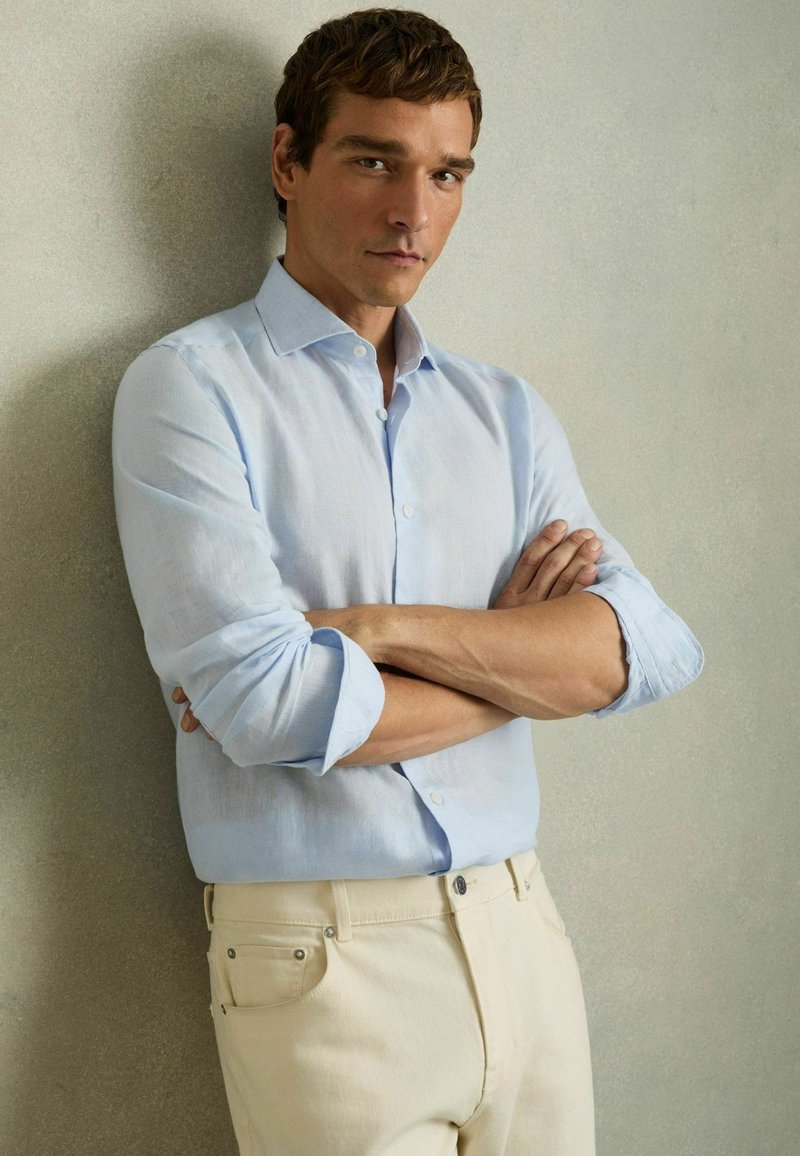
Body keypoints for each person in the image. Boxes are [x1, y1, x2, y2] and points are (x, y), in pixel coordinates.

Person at [112, 8, 703, 1155]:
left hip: (524, 932)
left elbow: (647, 647)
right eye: (374, 161)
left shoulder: (503, 412)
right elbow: (266, 707)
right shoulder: (188, 390)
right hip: (322, 960)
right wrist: (519, 666)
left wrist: (377, 631)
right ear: (288, 161)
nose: (413, 212)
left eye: (445, 173)